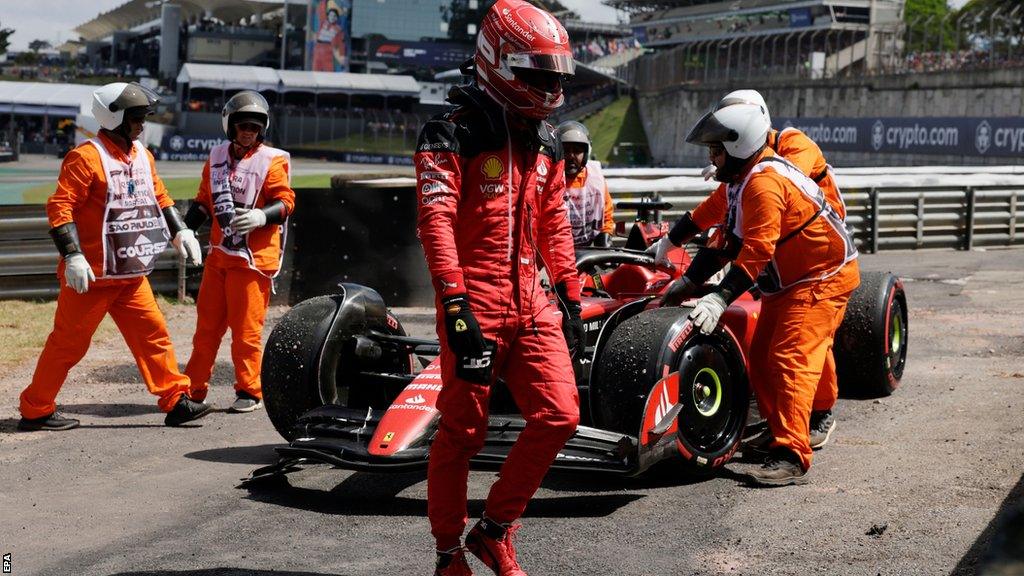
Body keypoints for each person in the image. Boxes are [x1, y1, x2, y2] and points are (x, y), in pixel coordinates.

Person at [415, 1, 583, 573]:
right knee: (463, 430)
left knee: (560, 414)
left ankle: (494, 529)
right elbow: (435, 221)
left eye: (554, 75)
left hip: (532, 298)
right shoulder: (448, 132)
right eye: (536, 73)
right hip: (474, 298)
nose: (548, 86)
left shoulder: (549, 141)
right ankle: (447, 554)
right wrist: (455, 302)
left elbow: (555, 221)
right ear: (497, 60)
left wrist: (571, 292)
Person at [651, 98, 859, 486]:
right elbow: (723, 238)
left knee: (788, 358)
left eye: (716, 150)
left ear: (737, 145)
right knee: (761, 356)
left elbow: (757, 252)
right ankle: (779, 430)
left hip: (820, 279)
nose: (712, 158)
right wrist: (687, 280)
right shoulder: (740, 181)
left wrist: (718, 297)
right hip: (788, 282)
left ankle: (792, 454)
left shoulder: (762, 183)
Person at [18, 82, 210, 431]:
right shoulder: (86, 157)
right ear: (114, 117)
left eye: (143, 118)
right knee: (67, 345)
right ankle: (36, 409)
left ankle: (176, 400)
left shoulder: (143, 156)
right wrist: (73, 255)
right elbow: (60, 207)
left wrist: (182, 230)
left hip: (130, 273)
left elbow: (161, 198)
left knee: (154, 335)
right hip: (91, 276)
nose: (141, 125)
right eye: (136, 118)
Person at [182, 91, 294, 413]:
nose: (249, 132)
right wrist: (186, 229)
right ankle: (194, 389)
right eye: (243, 126)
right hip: (219, 258)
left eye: (255, 128)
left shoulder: (272, 160)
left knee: (246, 333)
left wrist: (261, 216)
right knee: (206, 329)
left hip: (252, 262)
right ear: (230, 126)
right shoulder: (216, 156)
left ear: (263, 130)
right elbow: (204, 201)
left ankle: (249, 390)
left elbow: (286, 201)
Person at [556, 120, 614, 248]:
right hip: (556, 249)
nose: (571, 156)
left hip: (587, 250)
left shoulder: (596, 178)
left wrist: (605, 235)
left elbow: (606, 213)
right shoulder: (548, 179)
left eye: (577, 151)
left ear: (586, 153)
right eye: (566, 151)